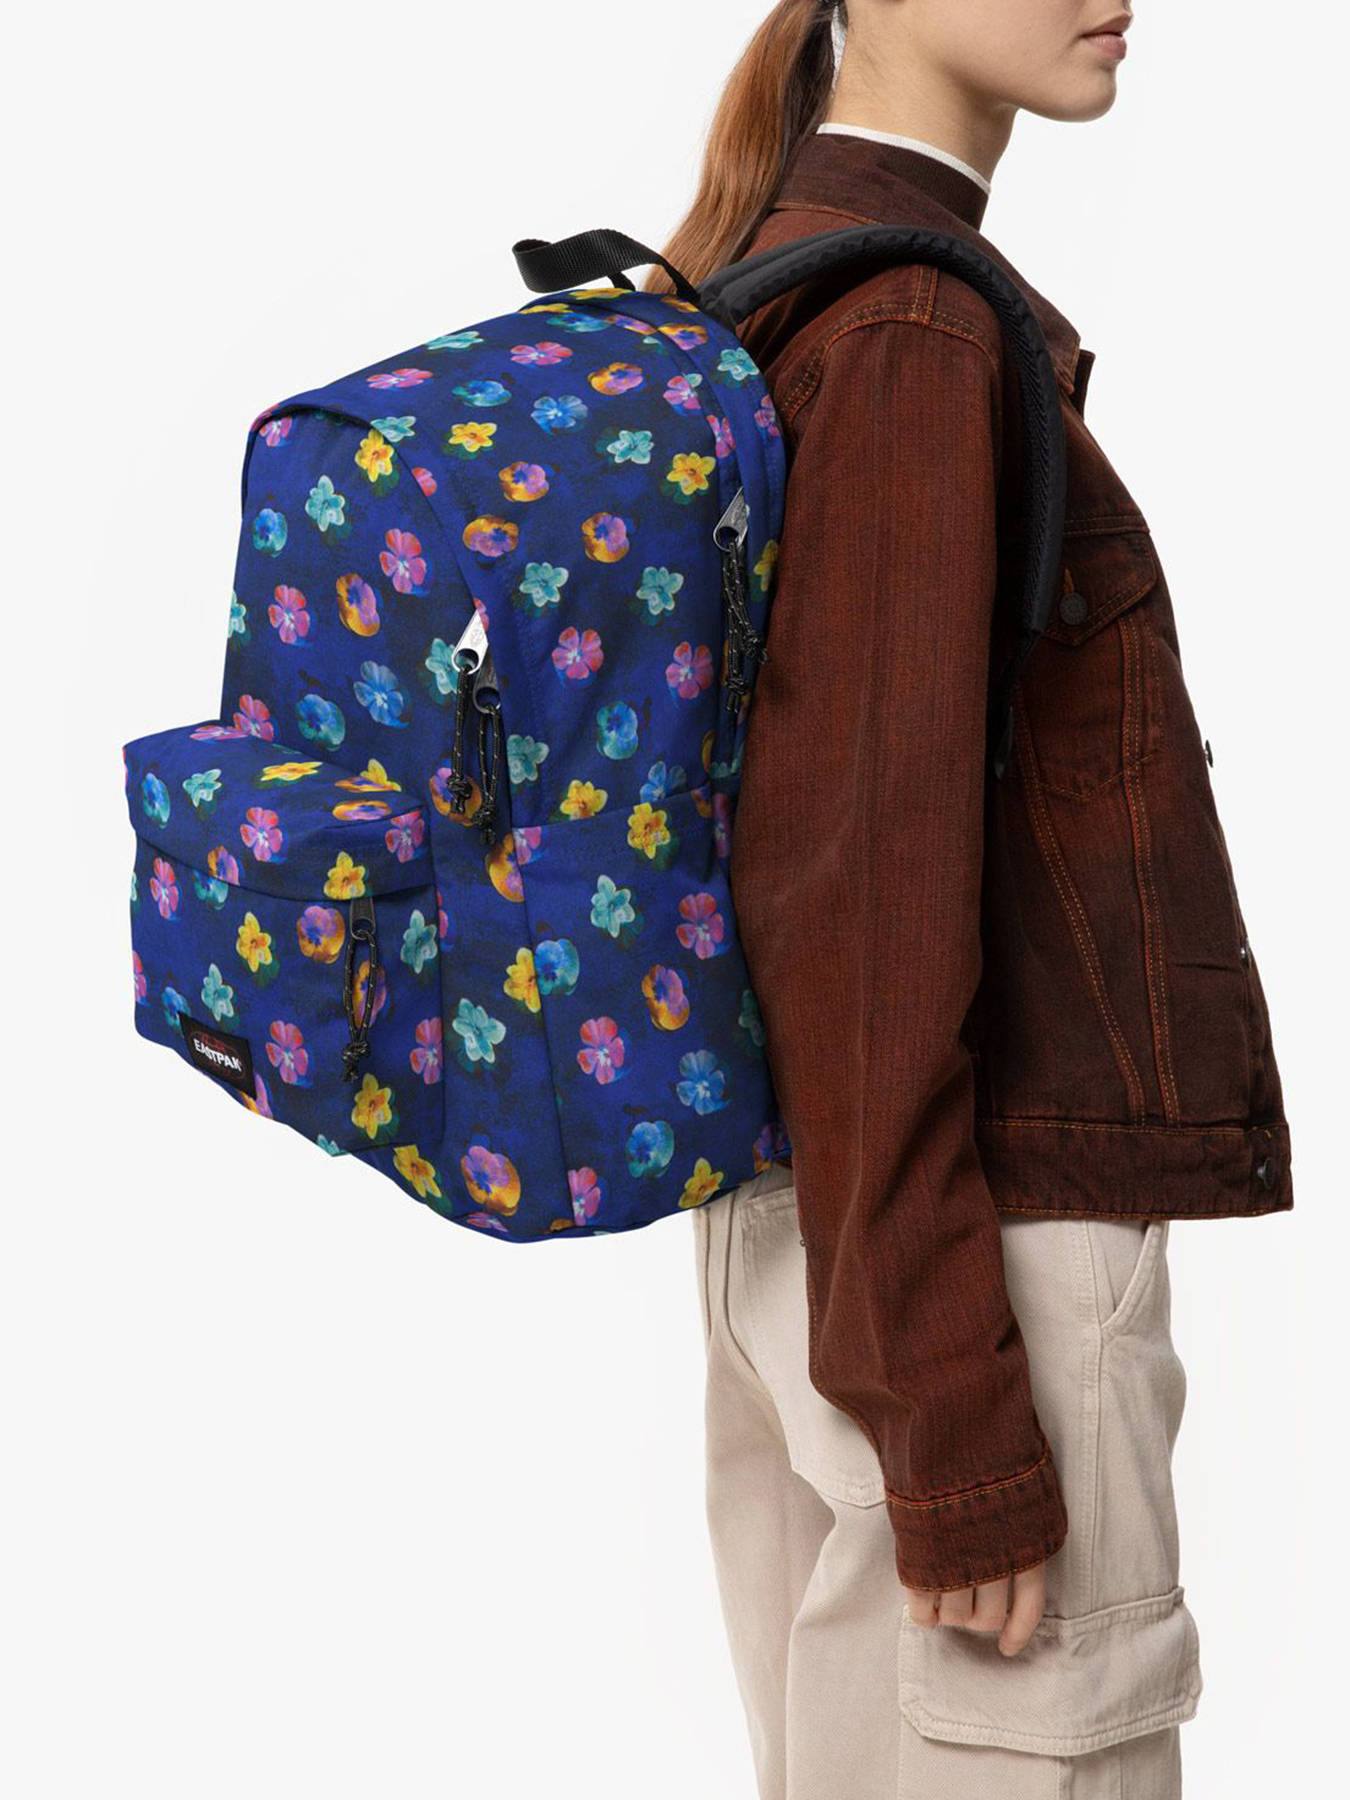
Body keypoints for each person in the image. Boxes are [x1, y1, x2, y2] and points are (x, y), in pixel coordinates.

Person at [651, 4, 1294, 1797]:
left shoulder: (788, 272)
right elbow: (858, 882)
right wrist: (948, 1406)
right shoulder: (908, 331)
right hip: (964, 1262)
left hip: (825, 1226)